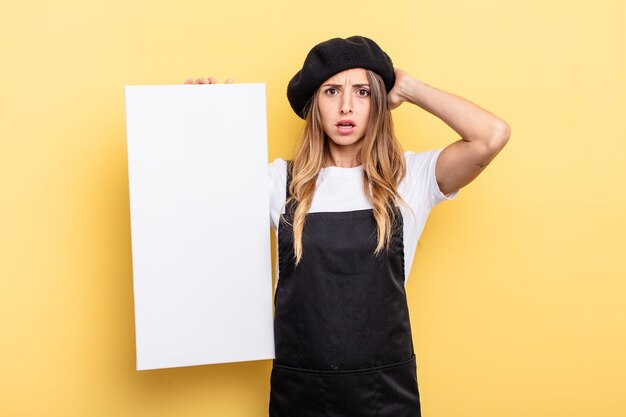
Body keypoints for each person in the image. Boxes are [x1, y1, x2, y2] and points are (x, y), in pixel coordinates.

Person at [186, 36, 510, 417]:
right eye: (331, 91)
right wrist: (201, 122)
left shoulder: (409, 179)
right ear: (314, 105)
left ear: (379, 101)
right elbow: (196, 205)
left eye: (362, 92)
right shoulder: (280, 182)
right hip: (301, 392)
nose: (345, 106)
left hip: (385, 394)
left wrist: (406, 87)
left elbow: (491, 136)